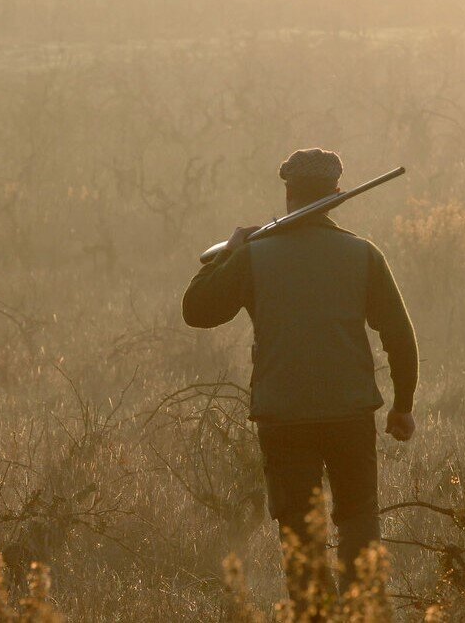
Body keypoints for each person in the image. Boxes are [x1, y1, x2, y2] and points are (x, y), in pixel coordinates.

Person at [181, 148, 418, 597]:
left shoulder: (253, 257)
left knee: (299, 535)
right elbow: (400, 336)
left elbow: (196, 311)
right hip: (349, 413)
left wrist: (230, 252)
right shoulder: (363, 254)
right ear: (337, 194)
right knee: (359, 520)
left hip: (283, 417)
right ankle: (362, 610)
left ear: (288, 193)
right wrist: (402, 407)